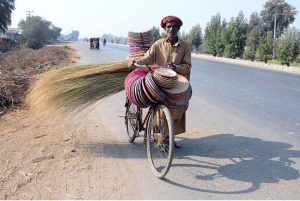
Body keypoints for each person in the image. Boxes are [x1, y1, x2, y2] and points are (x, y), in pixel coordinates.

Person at [128, 15, 192, 148]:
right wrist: (135, 62)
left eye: (174, 26)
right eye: (169, 26)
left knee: (178, 108)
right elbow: (147, 59)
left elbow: (188, 66)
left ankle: (170, 137)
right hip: (158, 81)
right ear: (164, 29)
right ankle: (160, 136)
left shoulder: (185, 46)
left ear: (178, 28)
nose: (171, 29)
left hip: (176, 83)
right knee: (160, 108)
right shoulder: (158, 44)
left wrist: (176, 67)